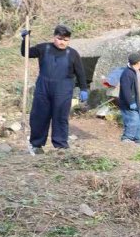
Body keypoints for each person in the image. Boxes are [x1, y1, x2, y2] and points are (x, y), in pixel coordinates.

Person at [20, 24, 89, 155]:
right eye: (59, 38)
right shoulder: (43, 48)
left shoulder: (73, 54)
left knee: (60, 117)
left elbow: (80, 73)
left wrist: (84, 88)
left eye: (65, 40)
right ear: (54, 37)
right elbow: (26, 53)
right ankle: (36, 145)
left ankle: (61, 146)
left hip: (63, 90)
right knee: (39, 116)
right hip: (43, 89)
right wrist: (25, 39)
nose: (62, 42)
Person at [117, 53, 140, 144]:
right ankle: (127, 138)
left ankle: (137, 140)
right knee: (133, 120)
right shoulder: (127, 73)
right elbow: (126, 89)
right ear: (137, 62)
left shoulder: (138, 72)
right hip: (131, 103)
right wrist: (130, 102)